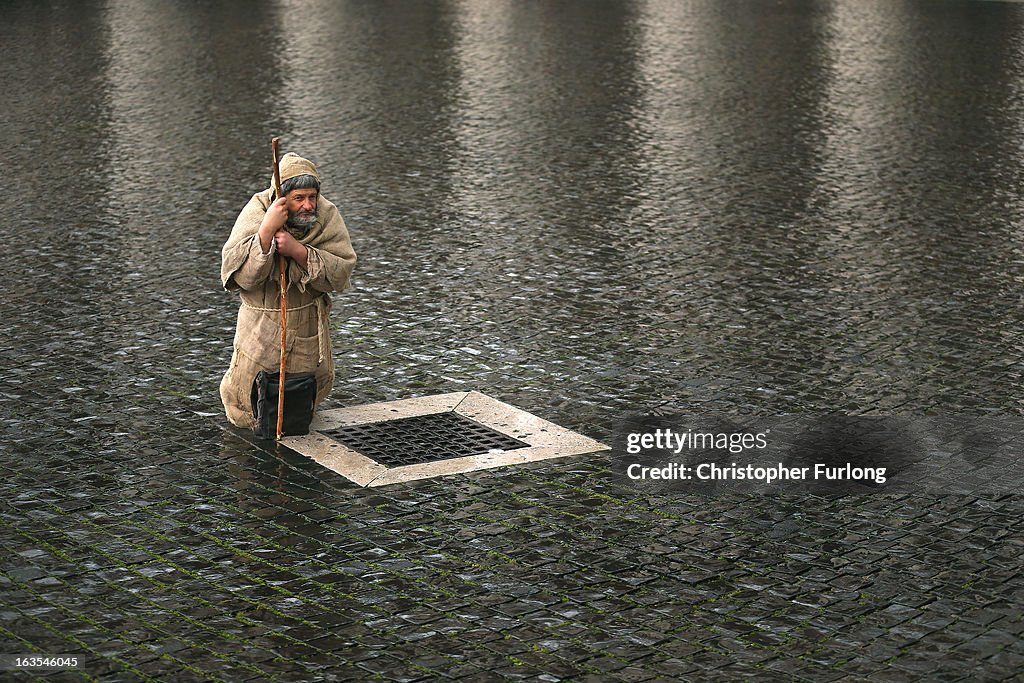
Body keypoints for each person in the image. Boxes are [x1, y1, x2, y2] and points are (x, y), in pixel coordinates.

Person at [219, 152, 356, 430]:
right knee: (251, 402)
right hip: (261, 328)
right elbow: (241, 276)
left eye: (312, 197)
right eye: (299, 198)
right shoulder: (257, 212)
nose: (308, 205)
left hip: (306, 324)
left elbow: (341, 271)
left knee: (301, 399)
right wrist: (266, 232)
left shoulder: (326, 216)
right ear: (281, 199)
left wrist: (300, 252)